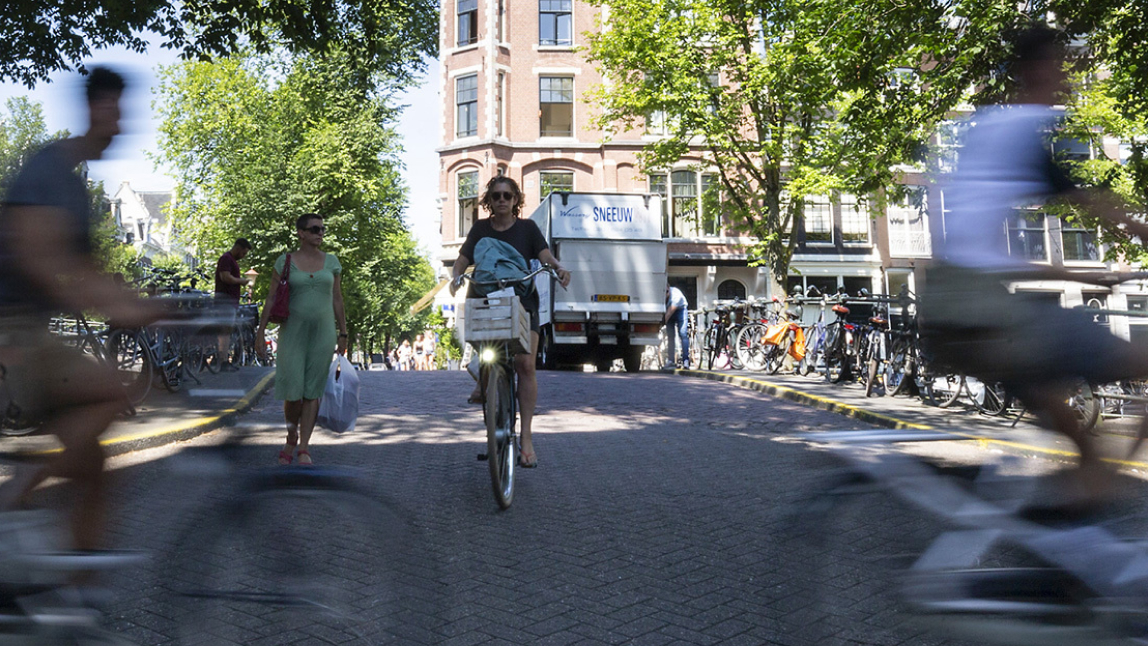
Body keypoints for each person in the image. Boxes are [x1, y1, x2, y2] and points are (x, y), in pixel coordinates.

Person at [920, 24, 1148, 503]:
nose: (1067, 76)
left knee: (1048, 388)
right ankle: (1102, 485)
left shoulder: (985, 130)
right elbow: (1096, 203)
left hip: (951, 305)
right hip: (981, 310)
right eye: (1061, 65)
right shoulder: (1024, 129)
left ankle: (1075, 520)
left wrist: (1072, 273)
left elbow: (979, 249)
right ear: (1036, 70)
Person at [0, 67, 160, 553]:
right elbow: (38, 256)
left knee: (94, 470)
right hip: (14, 337)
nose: (120, 125)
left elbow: (88, 273)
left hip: (31, 334)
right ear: (95, 109)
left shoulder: (73, 185)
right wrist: (113, 303)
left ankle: (76, 600)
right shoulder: (48, 170)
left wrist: (148, 307)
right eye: (115, 112)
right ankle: (13, 497)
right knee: (117, 391)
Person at [450, 176, 571, 468]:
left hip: (520, 297)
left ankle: (526, 437)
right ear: (488, 202)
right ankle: (485, 376)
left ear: (516, 200)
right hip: (485, 295)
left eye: (507, 195)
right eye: (496, 196)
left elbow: (544, 256)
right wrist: (455, 276)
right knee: (489, 357)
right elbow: (463, 259)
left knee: (525, 364)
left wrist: (558, 267)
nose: (501, 200)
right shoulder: (480, 229)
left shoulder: (528, 228)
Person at [256, 213, 347, 466]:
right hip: (292, 332)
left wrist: (343, 332)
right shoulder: (285, 261)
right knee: (293, 390)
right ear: (301, 233)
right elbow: (271, 299)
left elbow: (337, 299)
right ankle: (291, 434)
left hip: (323, 333)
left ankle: (304, 446)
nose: (320, 233)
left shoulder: (332, 262)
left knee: (312, 391)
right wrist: (260, 332)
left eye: (322, 229)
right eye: (315, 229)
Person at [213, 237, 252, 370]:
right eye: (244, 253)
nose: (243, 256)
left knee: (226, 331)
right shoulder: (226, 259)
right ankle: (222, 361)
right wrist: (241, 281)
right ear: (238, 248)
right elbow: (225, 277)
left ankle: (219, 359)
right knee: (225, 330)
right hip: (225, 301)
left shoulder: (230, 260)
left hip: (229, 301)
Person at [664, 284, 690, 369]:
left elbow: (670, 312)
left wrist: (662, 323)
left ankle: (686, 360)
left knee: (683, 334)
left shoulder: (676, 295)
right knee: (670, 336)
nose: (665, 294)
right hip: (668, 310)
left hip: (680, 310)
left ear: (669, 288)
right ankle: (671, 360)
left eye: (666, 292)